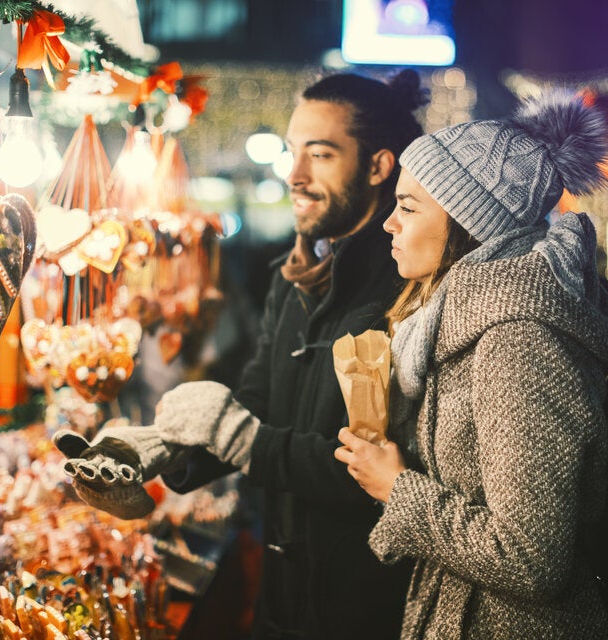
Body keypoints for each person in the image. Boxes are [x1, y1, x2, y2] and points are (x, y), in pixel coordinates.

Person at [55, 71, 429, 639]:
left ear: (379, 167)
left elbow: (383, 470)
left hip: (362, 606)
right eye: (291, 151)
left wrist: (246, 442)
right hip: (281, 592)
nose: (294, 175)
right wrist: (167, 449)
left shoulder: (407, 290)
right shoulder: (293, 276)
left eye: (321, 155)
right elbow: (257, 397)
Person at [333, 92, 608, 638]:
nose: (389, 225)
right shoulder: (449, 324)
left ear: (468, 223)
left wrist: (397, 488)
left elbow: (534, 558)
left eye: (409, 207)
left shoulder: (518, 341)